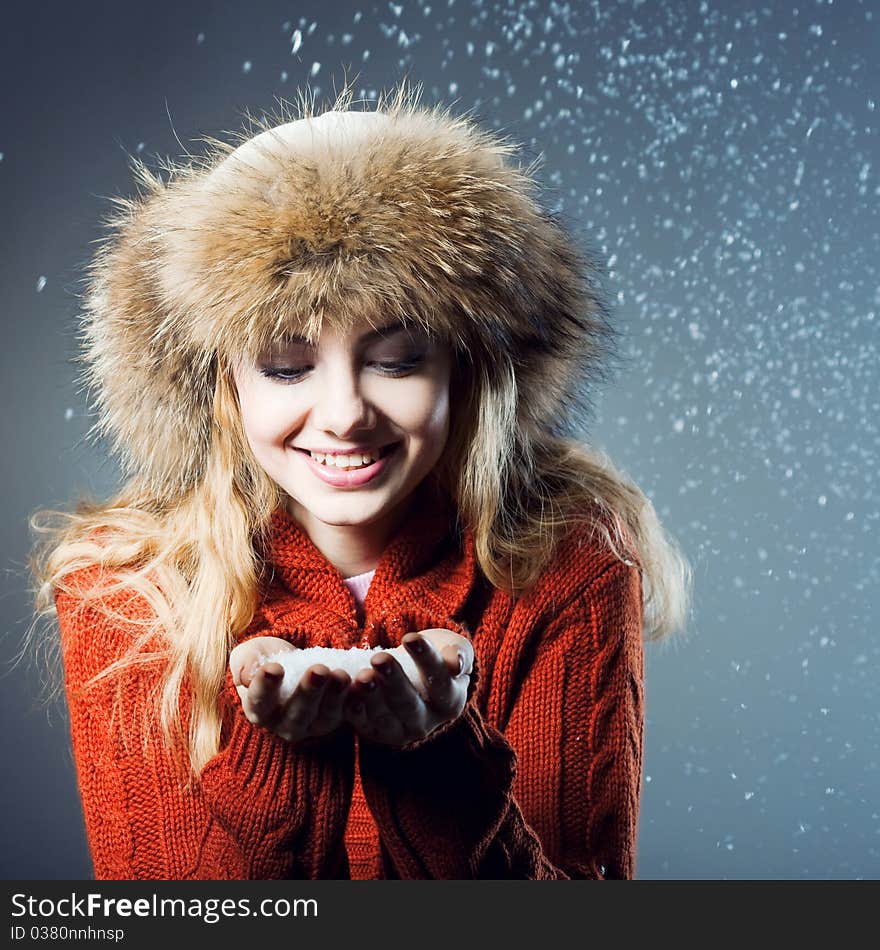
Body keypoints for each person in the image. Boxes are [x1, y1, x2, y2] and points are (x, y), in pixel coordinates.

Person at [27, 81, 692, 880]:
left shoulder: (570, 565)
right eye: (285, 365)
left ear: (466, 368)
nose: (343, 413)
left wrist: (439, 765)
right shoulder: (126, 589)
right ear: (223, 385)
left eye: (398, 358)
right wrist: (281, 769)